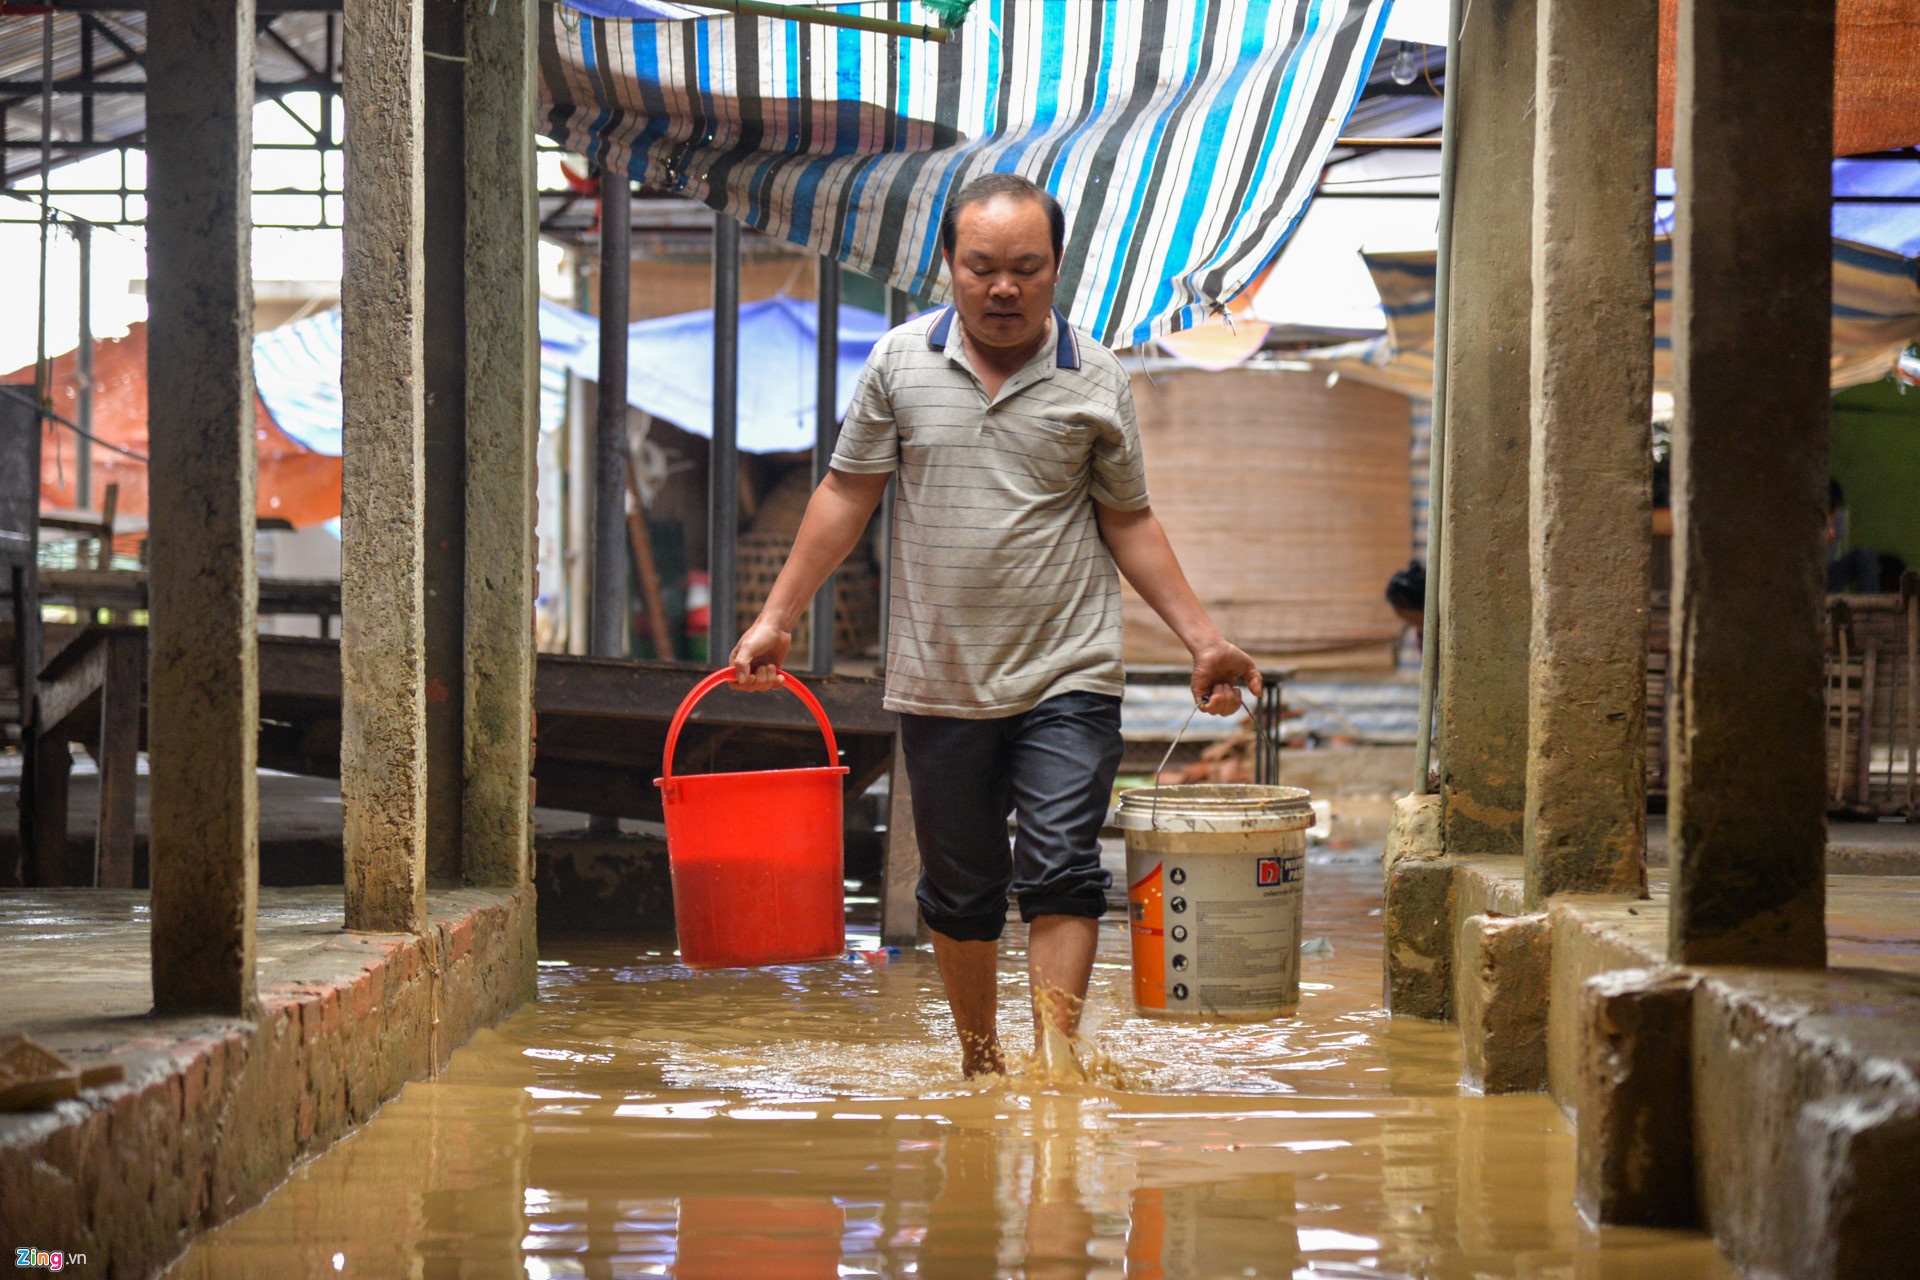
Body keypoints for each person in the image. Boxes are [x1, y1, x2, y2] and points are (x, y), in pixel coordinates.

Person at [729, 173, 1261, 1078]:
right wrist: (777, 618)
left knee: (1062, 869)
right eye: (982, 268)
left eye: (1026, 268)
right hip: (941, 677)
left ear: (1057, 267)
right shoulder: (899, 363)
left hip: (1069, 671)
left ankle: (1057, 1071)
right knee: (961, 888)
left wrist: (1203, 639)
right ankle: (981, 1063)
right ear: (949, 264)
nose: (1004, 288)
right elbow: (847, 493)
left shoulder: (1096, 375)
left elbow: (1128, 518)